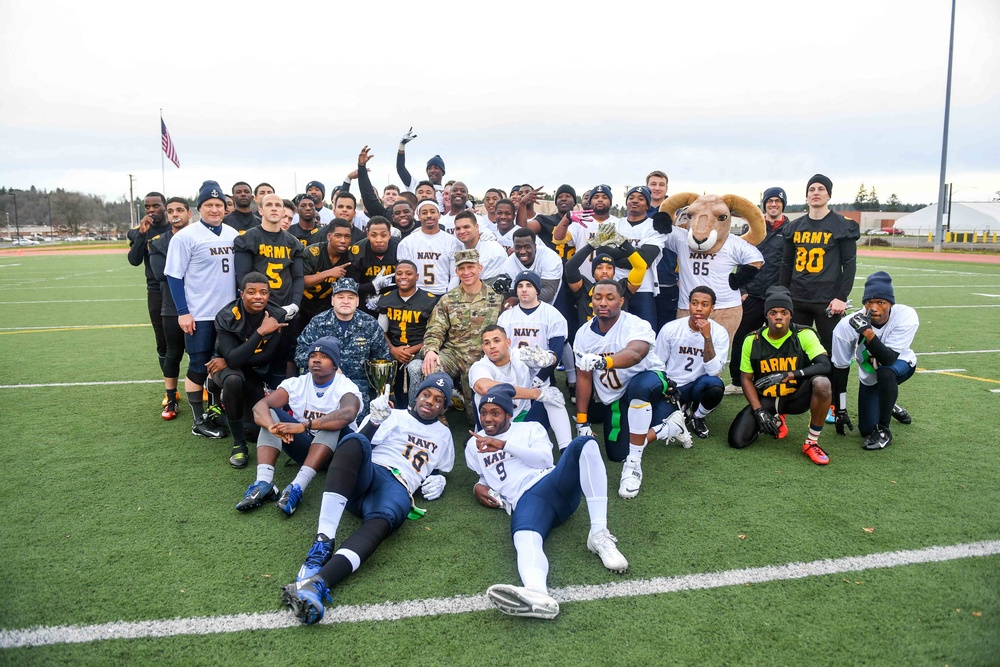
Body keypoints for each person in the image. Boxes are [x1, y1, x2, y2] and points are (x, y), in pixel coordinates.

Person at [281, 373, 455, 625]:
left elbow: (439, 468)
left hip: (399, 486)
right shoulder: (394, 415)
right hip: (369, 472)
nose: (430, 401)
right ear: (417, 395)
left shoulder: (444, 434)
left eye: (438, 399)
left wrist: (440, 478)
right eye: (426, 394)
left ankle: (318, 583)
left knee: (384, 521)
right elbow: (360, 441)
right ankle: (323, 541)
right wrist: (374, 421)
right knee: (352, 440)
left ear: (444, 407)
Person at [468, 384, 628, 620]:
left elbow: (543, 460)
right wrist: (478, 486)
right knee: (524, 539)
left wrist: (504, 445)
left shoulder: (530, 428)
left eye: (495, 412)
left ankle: (599, 533)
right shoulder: (473, 445)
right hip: (525, 501)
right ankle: (538, 594)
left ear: (509, 414)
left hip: (550, 482)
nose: (487, 419)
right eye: (483, 413)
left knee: (585, 443)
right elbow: (485, 475)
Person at [574, 281, 691, 499]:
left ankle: (634, 465)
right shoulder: (583, 334)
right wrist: (582, 421)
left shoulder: (635, 324)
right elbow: (583, 377)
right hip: (617, 396)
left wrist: (603, 362)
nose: (603, 302)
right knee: (617, 453)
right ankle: (670, 428)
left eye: (610, 297)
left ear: (621, 300)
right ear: (591, 301)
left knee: (639, 387)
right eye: (598, 297)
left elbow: (636, 354)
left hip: (651, 379)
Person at [243, 337, 362, 517]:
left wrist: (304, 426)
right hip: (306, 449)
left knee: (333, 424)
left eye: (324, 356)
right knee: (271, 413)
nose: (316, 359)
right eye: (313, 355)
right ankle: (264, 483)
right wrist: (273, 427)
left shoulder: (346, 386)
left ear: (335, 365)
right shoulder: (296, 383)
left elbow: (348, 413)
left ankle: (297, 487)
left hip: (336, 456)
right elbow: (259, 406)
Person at [164, 180, 238, 438]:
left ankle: (214, 412)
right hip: (201, 314)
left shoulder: (232, 234)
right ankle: (198, 421)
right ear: (200, 208)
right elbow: (174, 276)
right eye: (209, 205)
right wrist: (183, 312)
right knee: (198, 366)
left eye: (219, 204)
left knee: (221, 365)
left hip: (229, 315)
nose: (215, 209)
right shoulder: (186, 236)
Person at [727, 286, 833, 465]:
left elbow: (824, 365)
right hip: (767, 399)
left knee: (822, 383)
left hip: (796, 397)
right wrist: (758, 411)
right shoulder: (752, 340)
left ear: (790, 315)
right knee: (737, 440)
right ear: (766, 315)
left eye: (784, 312)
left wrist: (790, 374)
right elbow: (745, 379)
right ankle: (775, 420)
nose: (778, 316)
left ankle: (811, 442)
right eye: (773, 312)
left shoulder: (804, 335)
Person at [830, 272, 918, 450]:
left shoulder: (905, 315)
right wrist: (840, 409)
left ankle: (884, 430)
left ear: (891, 304)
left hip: (900, 365)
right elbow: (840, 368)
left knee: (886, 372)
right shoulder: (847, 325)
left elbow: (888, 359)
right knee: (865, 430)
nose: (874, 307)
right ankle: (888, 403)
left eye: (881, 302)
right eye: (869, 302)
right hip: (869, 375)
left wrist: (868, 333)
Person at [208, 272, 288, 468]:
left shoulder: (277, 315)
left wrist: (230, 360)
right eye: (251, 292)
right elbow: (233, 359)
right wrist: (261, 332)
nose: (258, 297)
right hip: (225, 371)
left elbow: (266, 356)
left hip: (253, 370)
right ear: (241, 294)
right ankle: (238, 446)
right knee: (233, 380)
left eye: (263, 292)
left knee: (253, 431)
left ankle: (217, 418)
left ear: (269, 295)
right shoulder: (227, 316)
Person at [421, 249, 505, 422]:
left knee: (475, 418)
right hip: (454, 355)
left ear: (479, 268)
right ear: (456, 272)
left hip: (483, 359)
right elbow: (435, 329)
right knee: (432, 367)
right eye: (461, 269)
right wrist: (431, 350)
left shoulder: (496, 298)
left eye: (470, 267)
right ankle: (436, 420)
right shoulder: (448, 299)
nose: (466, 272)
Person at [779, 174, 860, 352]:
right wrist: (783, 293)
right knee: (796, 348)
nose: (816, 193)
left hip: (828, 300)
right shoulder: (794, 227)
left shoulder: (842, 225)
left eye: (821, 189)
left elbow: (849, 264)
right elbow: (786, 263)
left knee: (833, 349)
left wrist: (841, 297)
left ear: (829, 195)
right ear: (806, 196)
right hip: (798, 297)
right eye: (812, 189)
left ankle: (832, 382)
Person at [296, 278, 391, 422]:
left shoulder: (370, 324)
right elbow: (300, 355)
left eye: (350, 297)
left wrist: (381, 391)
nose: (345, 301)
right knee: (320, 424)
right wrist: (328, 368)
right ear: (332, 300)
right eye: (340, 297)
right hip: (323, 382)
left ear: (357, 301)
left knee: (356, 423)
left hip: (357, 383)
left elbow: (382, 360)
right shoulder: (318, 322)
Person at [726, 187, 791, 396]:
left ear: (783, 204)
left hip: (778, 296)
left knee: (779, 338)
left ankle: (778, 379)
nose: (773, 204)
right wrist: (742, 288)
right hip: (752, 294)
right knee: (742, 338)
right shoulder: (753, 228)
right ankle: (737, 380)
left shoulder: (791, 229)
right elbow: (738, 259)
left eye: (777, 201)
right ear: (764, 205)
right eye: (770, 201)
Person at [234, 193, 305, 385]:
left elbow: (298, 277)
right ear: (261, 210)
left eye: (278, 205)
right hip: (258, 310)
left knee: (282, 359)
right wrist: (262, 307)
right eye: (269, 205)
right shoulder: (248, 238)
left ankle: (279, 403)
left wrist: (295, 304)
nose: (274, 208)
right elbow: (242, 278)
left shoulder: (293, 242)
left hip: (286, 309)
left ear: (284, 211)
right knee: (255, 358)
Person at [470, 326, 572, 448]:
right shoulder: (479, 366)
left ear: (508, 342)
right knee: (480, 394)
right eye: (487, 343)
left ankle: (567, 450)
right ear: (483, 348)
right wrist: (536, 394)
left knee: (552, 394)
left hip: (523, 420)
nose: (492, 346)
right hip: (495, 427)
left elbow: (545, 356)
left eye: (497, 341)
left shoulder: (518, 355)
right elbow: (486, 388)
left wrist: (550, 358)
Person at [653, 286, 729, 439]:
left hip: (700, 385)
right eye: (694, 303)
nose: (698, 309)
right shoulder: (671, 328)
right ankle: (684, 406)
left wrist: (707, 338)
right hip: (675, 386)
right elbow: (657, 362)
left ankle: (698, 416)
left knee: (715, 386)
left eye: (704, 304)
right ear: (689, 305)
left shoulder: (719, 332)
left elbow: (714, 372)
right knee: (657, 422)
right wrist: (666, 385)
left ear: (712, 308)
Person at [147, 196, 191, 418]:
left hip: (200, 304)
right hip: (172, 305)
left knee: (202, 354)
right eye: (171, 210)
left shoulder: (199, 237)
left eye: (180, 210)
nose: (175, 214)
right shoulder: (158, 242)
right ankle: (171, 398)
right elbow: (161, 274)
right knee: (173, 353)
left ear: (189, 213)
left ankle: (205, 397)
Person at [127, 191, 171, 409]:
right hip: (155, 290)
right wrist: (142, 235)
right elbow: (134, 261)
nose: (152, 210)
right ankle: (169, 390)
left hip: (181, 289)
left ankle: (199, 385)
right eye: (147, 207)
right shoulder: (140, 232)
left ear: (165, 206)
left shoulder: (176, 228)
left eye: (156, 205)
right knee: (162, 343)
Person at [377, 260, 440, 408]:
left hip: (419, 349)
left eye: (408, 273)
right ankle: (382, 407)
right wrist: (392, 349)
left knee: (415, 368)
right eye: (399, 273)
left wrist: (411, 350)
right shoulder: (387, 298)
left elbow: (436, 333)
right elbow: (381, 331)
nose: (403, 277)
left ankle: (414, 409)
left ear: (417, 277)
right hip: (393, 347)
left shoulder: (430, 301)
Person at [497, 271, 567, 385]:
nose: (524, 289)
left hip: (542, 379)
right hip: (513, 376)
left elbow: (556, 352)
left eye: (529, 285)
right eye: (520, 286)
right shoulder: (506, 317)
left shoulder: (552, 315)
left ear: (537, 290)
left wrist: (540, 378)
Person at [614, 185, 668, 329]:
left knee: (647, 334)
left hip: (644, 288)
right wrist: (636, 256)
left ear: (648, 204)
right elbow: (603, 254)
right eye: (631, 198)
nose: (635, 201)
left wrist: (618, 257)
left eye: (641, 198)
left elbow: (645, 259)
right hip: (616, 287)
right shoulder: (615, 224)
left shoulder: (654, 226)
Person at [396, 199, 463, 297]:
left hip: (441, 293)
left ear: (439, 215)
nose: (429, 215)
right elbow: (405, 275)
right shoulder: (407, 243)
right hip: (416, 294)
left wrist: (447, 297)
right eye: (424, 212)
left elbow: (455, 275)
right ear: (418, 216)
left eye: (432, 212)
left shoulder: (452, 242)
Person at [300, 219, 353, 328]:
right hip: (303, 304)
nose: (343, 240)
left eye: (347, 236)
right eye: (338, 236)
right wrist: (329, 273)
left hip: (326, 306)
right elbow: (302, 281)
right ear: (329, 236)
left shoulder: (350, 256)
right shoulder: (313, 253)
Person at [346, 216, 399, 317]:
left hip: (395, 296)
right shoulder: (357, 251)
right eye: (374, 235)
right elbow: (351, 286)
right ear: (368, 235)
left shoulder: (400, 247)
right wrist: (372, 285)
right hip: (366, 298)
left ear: (389, 235)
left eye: (383, 235)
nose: (379, 240)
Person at [648, 171, 680, 331]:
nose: (657, 188)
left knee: (666, 329)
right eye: (653, 184)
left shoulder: (677, 213)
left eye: (661, 185)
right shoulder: (638, 211)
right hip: (643, 282)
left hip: (668, 280)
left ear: (667, 188)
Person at [501, 229, 563, 305]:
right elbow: (510, 292)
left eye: (527, 247)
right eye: (518, 247)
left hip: (552, 304)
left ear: (535, 246)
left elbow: (548, 292)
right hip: (522, 307)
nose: (522, 251)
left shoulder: (550, 258)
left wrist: (520, 300)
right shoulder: (509, 263)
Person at [396, 127, 446, 208]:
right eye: (429, 168)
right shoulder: (416, 184)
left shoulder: (447, 192)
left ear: (443, 172)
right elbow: (400, 169)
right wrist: (402, 146)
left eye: (436, 168)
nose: (432, 170)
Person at [454, 210, 507, 286]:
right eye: (458, 228)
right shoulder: (456, 247)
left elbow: (486, 287)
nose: (461, 231)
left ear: (476, 227)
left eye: (466, 227)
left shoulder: (494, 251)